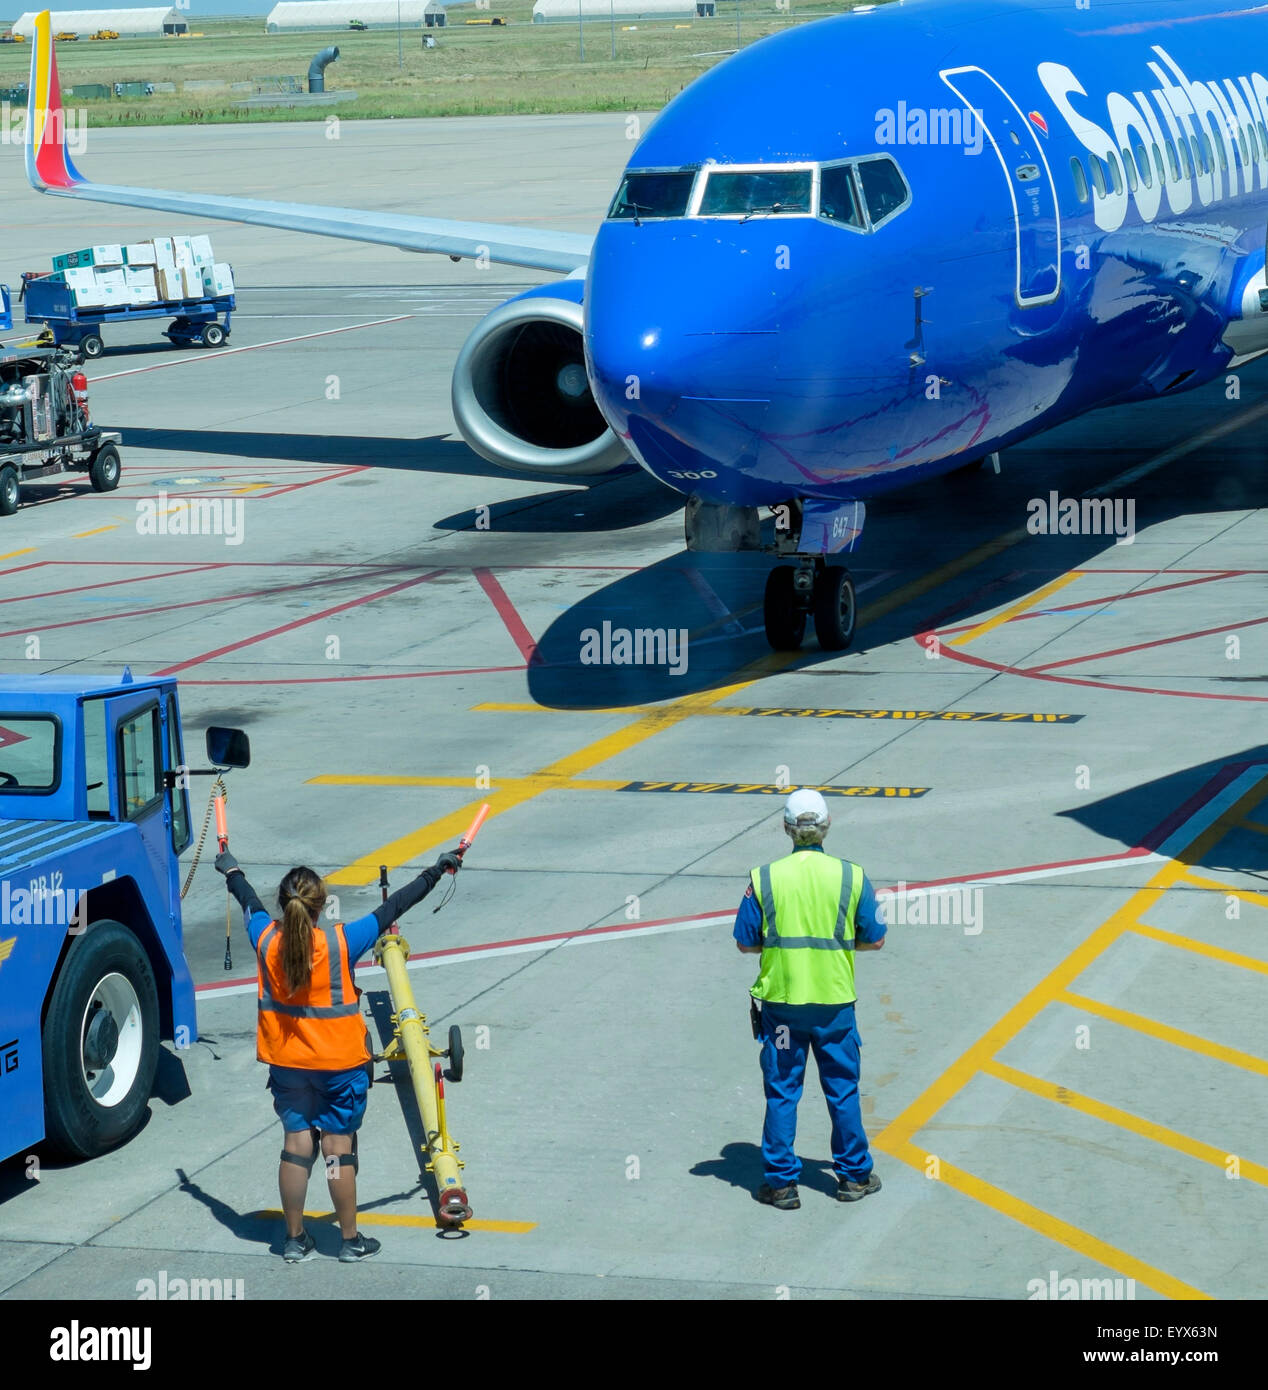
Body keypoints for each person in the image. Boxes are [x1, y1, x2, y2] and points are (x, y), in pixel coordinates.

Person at [214, 848, 463, 1262]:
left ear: (285, 903)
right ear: (318, 906)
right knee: (336, 1150)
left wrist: (233, 871)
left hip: (288, 1066)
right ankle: (349, 1241)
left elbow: (248, 903)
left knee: (296, 1147)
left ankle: (294, 1240)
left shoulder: (264, 937)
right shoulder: (341, 941)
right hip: (339, 1068)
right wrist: (437, 871)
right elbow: (396, 905)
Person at [733, 788, 886, 1210]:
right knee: (842, 1090)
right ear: (827, 825)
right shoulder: (852, 876)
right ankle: (854, 1176)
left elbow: (746, 944)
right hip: (834, 1005)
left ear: (785, 827)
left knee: (783, 1092)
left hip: (782, 1008)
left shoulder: (765, 877)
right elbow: (876, 939)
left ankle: (781, 1184)